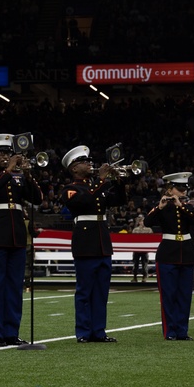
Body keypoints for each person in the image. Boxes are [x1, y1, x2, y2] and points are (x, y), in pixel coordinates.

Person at [0, 133, 43, 347]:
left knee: (14, 286)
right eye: (1, 152)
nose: (5, 156)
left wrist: (29, 175)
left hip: (17, 236)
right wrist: (8, 171)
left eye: (8, 152)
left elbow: (37, 199)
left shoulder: (19, 176)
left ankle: (11, 332)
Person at [60, 145, 126, 343]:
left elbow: (119, 199)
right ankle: (83, 332)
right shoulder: (71, 189)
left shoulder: (98, 186)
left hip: (102, 242)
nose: (89, 164)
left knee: (101, 291)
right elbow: (84, 199)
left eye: (89, 161)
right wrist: (102, 180)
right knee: (85, 291)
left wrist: (119, 181)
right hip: (85, 242)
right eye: (84, 162)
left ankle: (99, 331)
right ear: (73, 168)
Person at [143, 172, 194, 340]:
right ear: (170, 189)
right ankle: (170, 332)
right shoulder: (162, 207)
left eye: (184, 188)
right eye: (179, 188)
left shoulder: (188, 207)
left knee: (184, 296)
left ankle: (182, 331)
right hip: (167, 254)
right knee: (168, 295)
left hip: (186, 254)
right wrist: (159, 207)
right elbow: (147, 222)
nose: (183, 191)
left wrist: (180, 204)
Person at [129, 216, 151, 284]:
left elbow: (151, 238)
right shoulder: (135, 230)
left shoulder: (148, 230)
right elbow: (132, 238)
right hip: (136, 250)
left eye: (143, 221)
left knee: (144, 263)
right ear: (139, 222)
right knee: (135, 264)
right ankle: (135, 277)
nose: (142, 222)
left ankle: (144, 277)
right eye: (141, 221)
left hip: (144, 250)